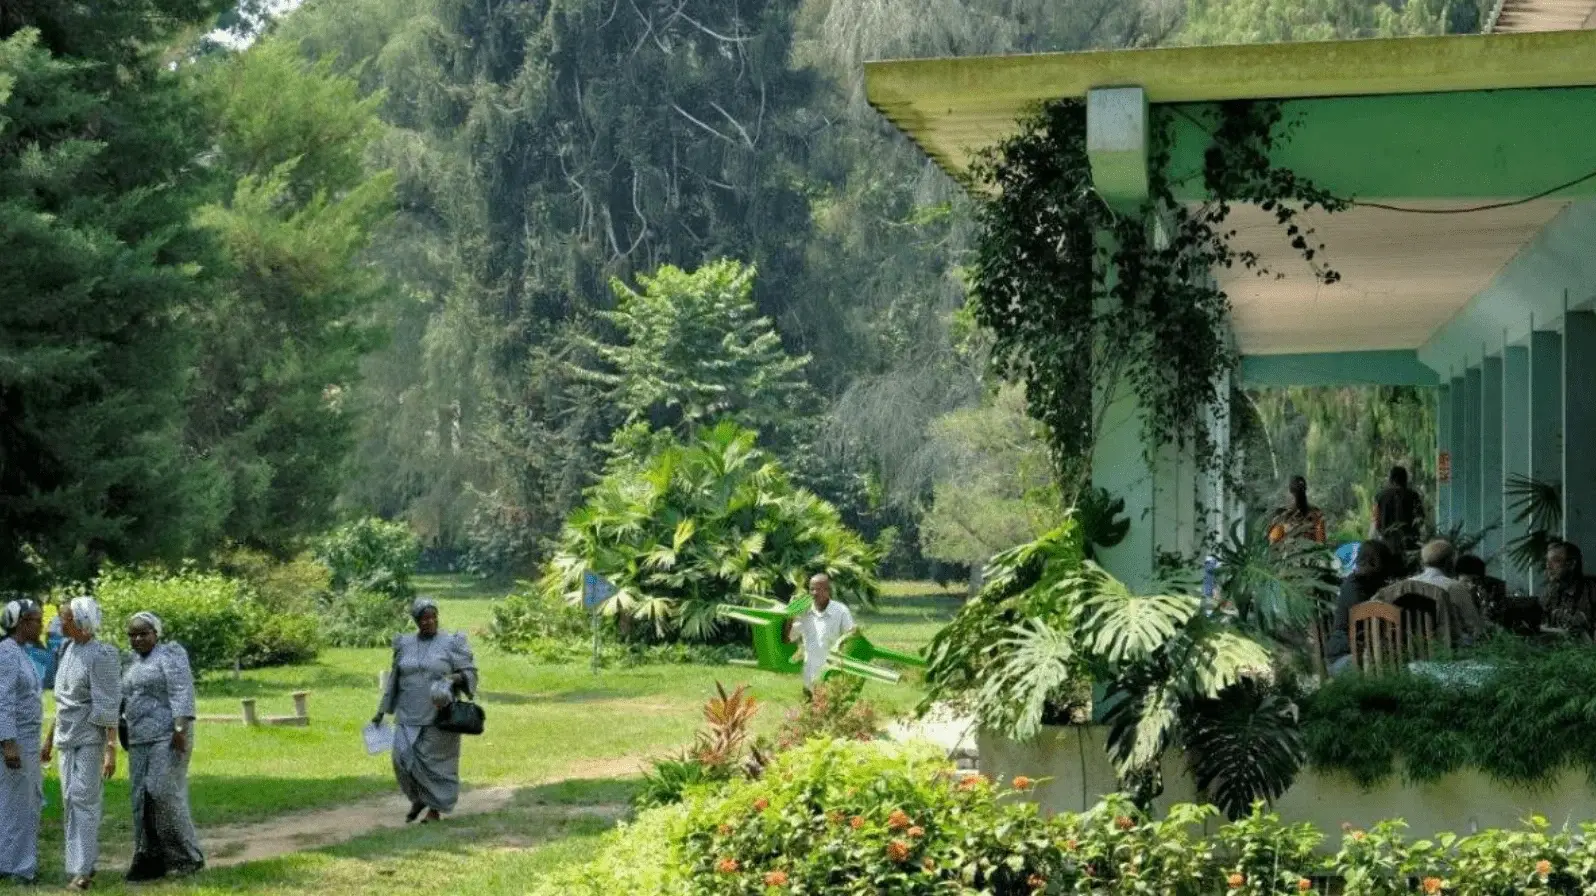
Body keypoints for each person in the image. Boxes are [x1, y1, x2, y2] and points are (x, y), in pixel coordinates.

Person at [372, 598, 477, 825]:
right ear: (416, 621)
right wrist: (382, 711)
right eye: (424, 618)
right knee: (401, 759)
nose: (429, 622)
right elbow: (394, 679)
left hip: (438, 715)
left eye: (432, 617)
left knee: (434, 765)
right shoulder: (404, 644)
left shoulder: (451, 643)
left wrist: (451, 678)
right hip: (407, 713)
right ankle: (419, 798)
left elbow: (469, 673)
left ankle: (434, 810)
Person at [43, 597, 121, 891]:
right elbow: (62, 702)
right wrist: (49, 739)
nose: (59, 623)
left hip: (90, 737)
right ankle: (78, 863)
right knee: (68, 799)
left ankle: (84, 870)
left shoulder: (103, 654)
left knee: (84, 800)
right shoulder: (67, 649)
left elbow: (108, 704)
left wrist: (110, 750)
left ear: (80, 621)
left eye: (65, 618)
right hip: (66, 736)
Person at [121, 612, 204, 881]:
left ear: (156, 633)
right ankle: (151, 855)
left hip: (167, 736)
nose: (137, 639)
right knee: (140, 798)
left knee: (163, 792)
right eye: (132, 635)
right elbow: (126, 696)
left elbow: (182, 691)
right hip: (138, 738)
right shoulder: (131, 661)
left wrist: (180, 728)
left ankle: (188, 856)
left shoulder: (170, 655)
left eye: (143, 633)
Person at [0, 599, 45, 884]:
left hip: (25, 739)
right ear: (22, 622)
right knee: (21, 805)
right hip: (17, 741)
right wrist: (8, 742)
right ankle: (19, 868)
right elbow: (2, 699)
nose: (41, 625)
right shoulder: (7, 653)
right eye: (37, 620)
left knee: (17, 803)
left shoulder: (19, 652)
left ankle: (9, 862)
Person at [1395, 540, 1485, 646]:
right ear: (1450, 562)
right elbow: (1475, 627)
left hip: (1409, 648)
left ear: (1423, 562)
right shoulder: (1454, 587)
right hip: (1444, 649)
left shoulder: (1404, 586)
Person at [1326, 540, 1395, 676]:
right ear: (1372, 563)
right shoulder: (1355, 589)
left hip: (1358, 654)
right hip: (1344, 658)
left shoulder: (1366, 584)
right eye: (1384, 567)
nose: (1386, 574)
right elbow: (1371, 624)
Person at [782, 574, 856, 697]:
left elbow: (851, 639)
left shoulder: (840, 611)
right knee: (808, 713)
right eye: (812, 589)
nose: (814, 593)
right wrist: (791, 614)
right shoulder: (804, 613)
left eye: (819, 589)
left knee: (831, 714)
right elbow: (787, 639)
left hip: (832, 677)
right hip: (809, 678)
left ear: (828, 591)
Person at [1543, 540, 1596, 637]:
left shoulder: (1591, 591)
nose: (1548, 566)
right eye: (1547, 561)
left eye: (1555, 560)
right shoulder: (1552, 592)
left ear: (1571, 564)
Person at [1372, 466, 1425, 553]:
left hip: (1387, 545)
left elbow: (1376, 521)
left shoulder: (1380, 496)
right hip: (1409, 545)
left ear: (1391, 478)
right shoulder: (1413, 495)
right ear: (1405, 479)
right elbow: (1419, 519)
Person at [1269, 476, 1326, 545]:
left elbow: (1273, 545)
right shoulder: (1316, 512)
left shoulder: (1281, 514)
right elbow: (1321, 542)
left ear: (1289, 492)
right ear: (1305, 490)